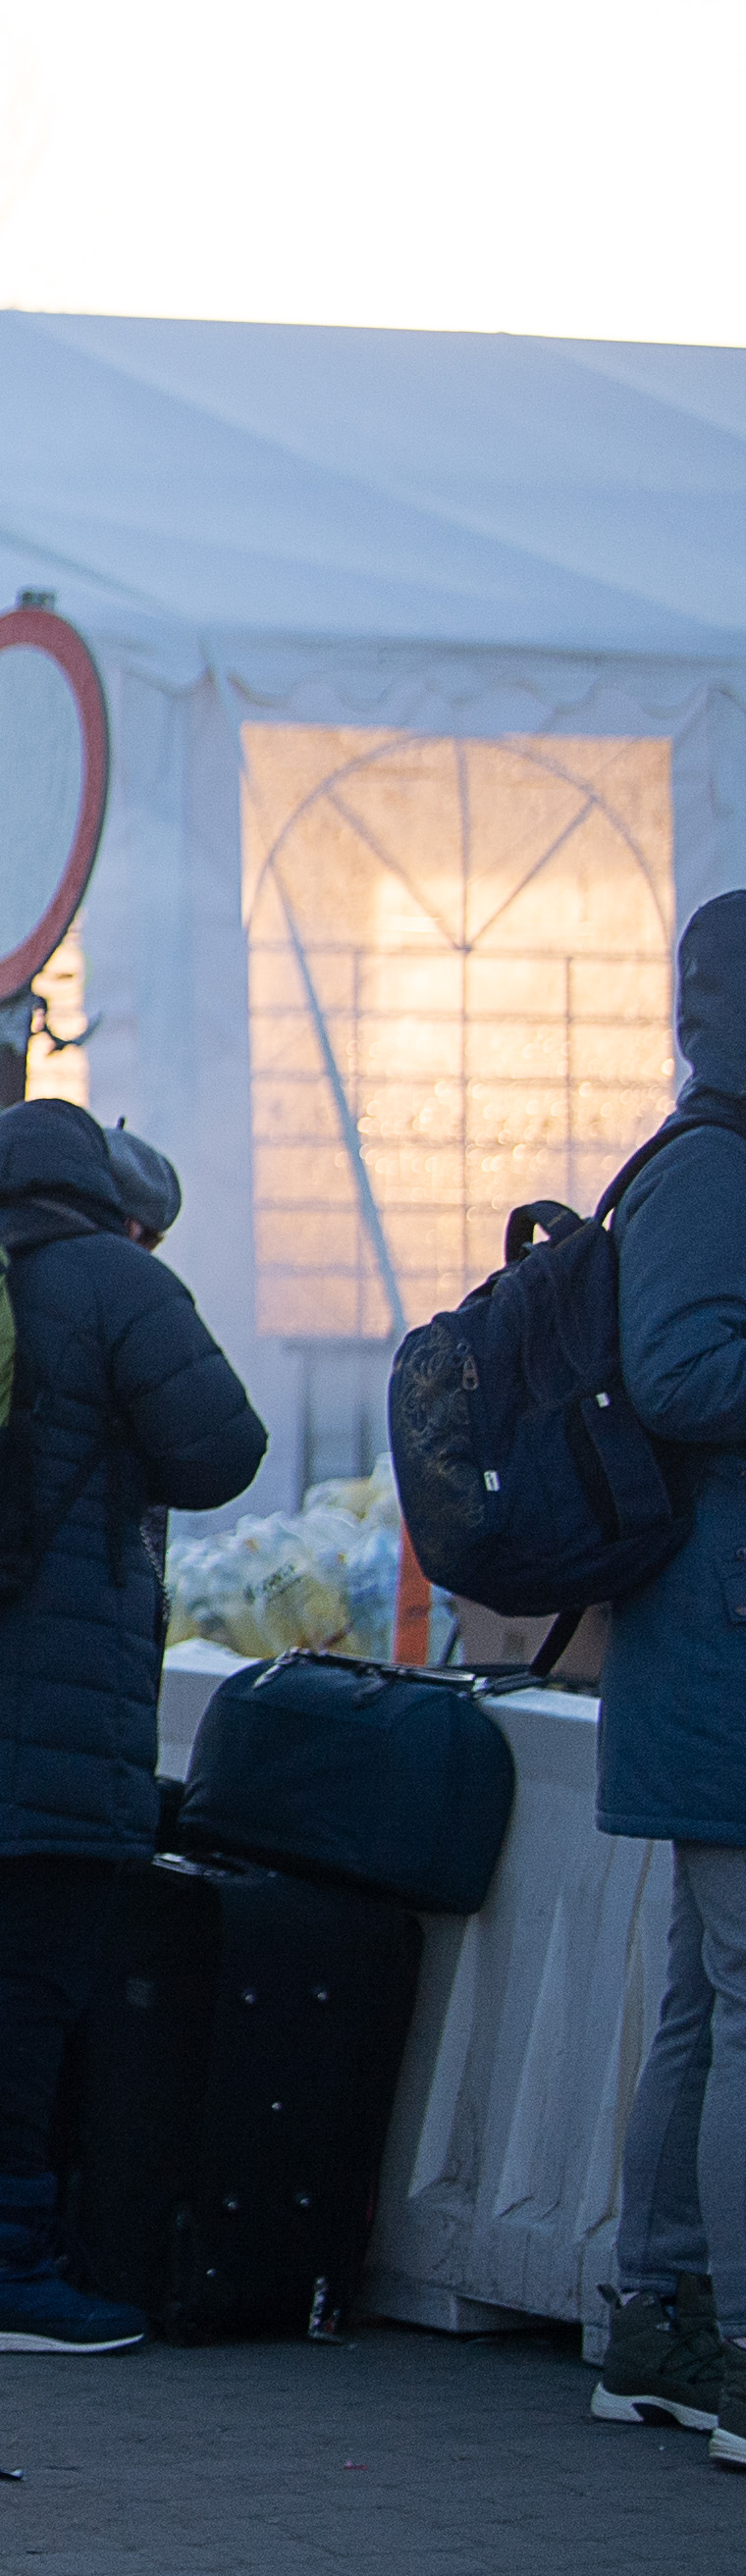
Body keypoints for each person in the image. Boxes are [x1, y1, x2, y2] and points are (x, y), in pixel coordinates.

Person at [0, 1101, 267, 2356]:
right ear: (94, 1189)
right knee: (21, 1984)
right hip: (51, 1687)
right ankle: (1, 2265)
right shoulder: (113, 1277)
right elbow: (223, 1450)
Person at [592, 890, 746, 2461]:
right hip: (723, 1647)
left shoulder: (706, 1159)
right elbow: (688, 1370)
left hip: (709, 1642)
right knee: (736, 2005)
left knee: (703, 2007)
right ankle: (728, 2346)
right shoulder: (715, 1168)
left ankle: (662, 2320)